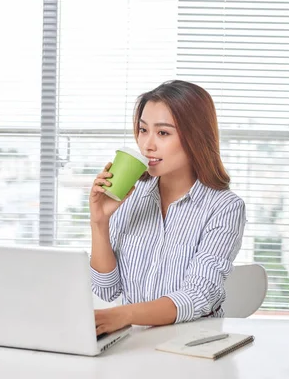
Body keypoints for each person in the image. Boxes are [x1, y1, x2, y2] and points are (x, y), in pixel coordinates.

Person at [90, 80, 246, 336]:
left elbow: (197, 296)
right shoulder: (131, 195)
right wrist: (99, 221)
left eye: (163, 133)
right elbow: (106, 289)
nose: (147, 145)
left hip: (193, 345)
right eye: (143, 130)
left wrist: (124, 314)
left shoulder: (225, 208)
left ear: (194, 136)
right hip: (135, 344)